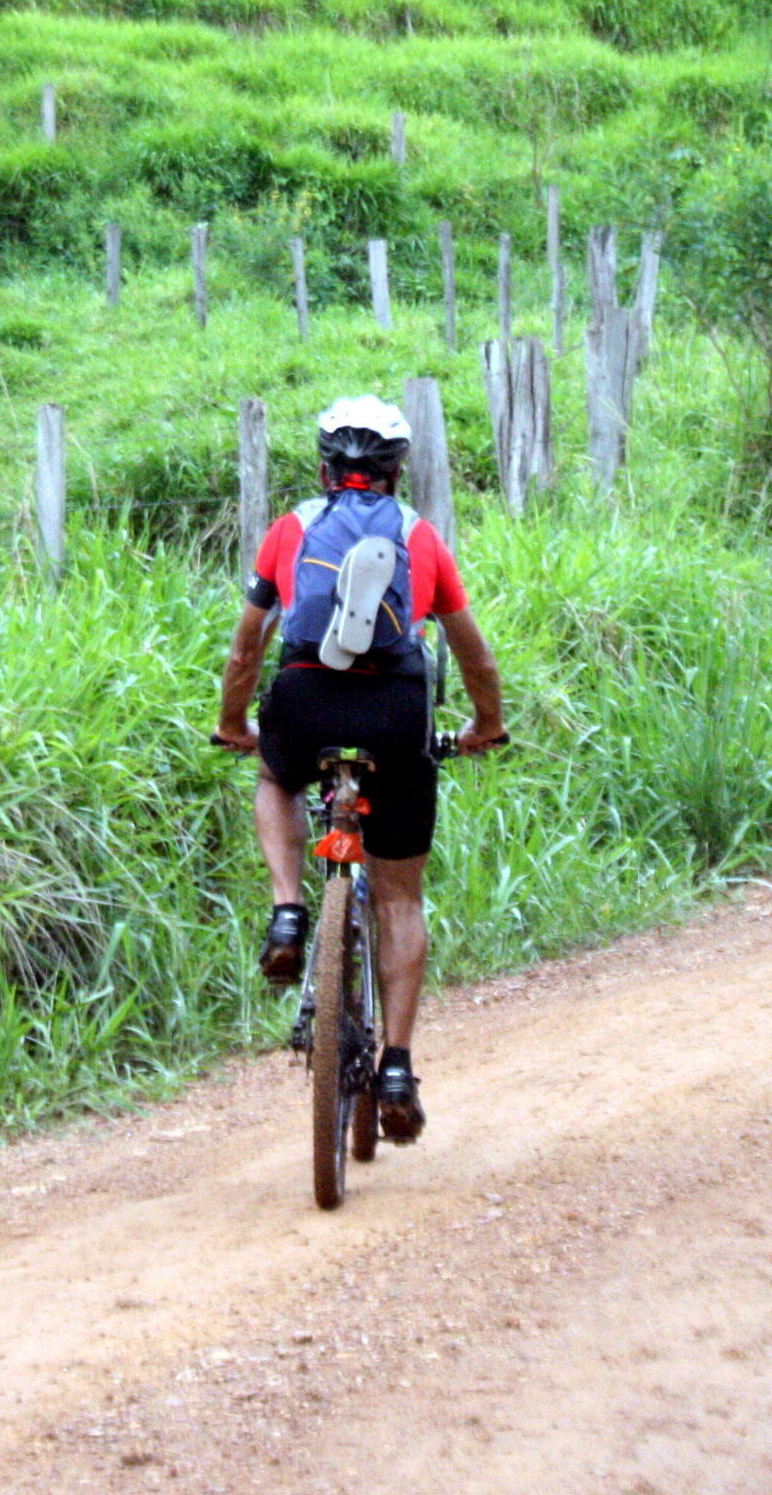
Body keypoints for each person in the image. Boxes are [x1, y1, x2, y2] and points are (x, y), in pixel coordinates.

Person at [213, 394, 506, 1145]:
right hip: (396, 711)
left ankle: (287, 908)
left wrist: (232, 724)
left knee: (277, 779)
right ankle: (399, 1068)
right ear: (397, 472)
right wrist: (485, 725)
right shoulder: (419, 536)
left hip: (306, 697)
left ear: (323, 467)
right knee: (400, 900)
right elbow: (473, 653)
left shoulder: (291, 530)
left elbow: (247, 648)